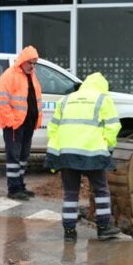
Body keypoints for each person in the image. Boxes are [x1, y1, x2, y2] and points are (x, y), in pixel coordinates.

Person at [45, 72, 122, 242]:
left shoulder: (66, 99)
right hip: (92, 152)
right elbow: (113, 127)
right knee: (101, 189)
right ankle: (103, 227)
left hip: (66, 153)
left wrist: (55, 154)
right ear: (103, 87)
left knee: (70, 193)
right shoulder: (103, 99)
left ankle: (69, 232)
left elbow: (53, 128)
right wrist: (108, 150)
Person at [0, 45, 43, 201]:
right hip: (15, 125)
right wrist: (11, 122)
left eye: (34, 63)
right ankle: (13, 188)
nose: (32, 66)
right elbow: (3, 102)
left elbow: (34, 99)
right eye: (30, 63)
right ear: (23, 61)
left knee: (23, 156)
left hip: (28, 123)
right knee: (14, 157)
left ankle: (20, 185)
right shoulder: (9, 76)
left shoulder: (31, 76)